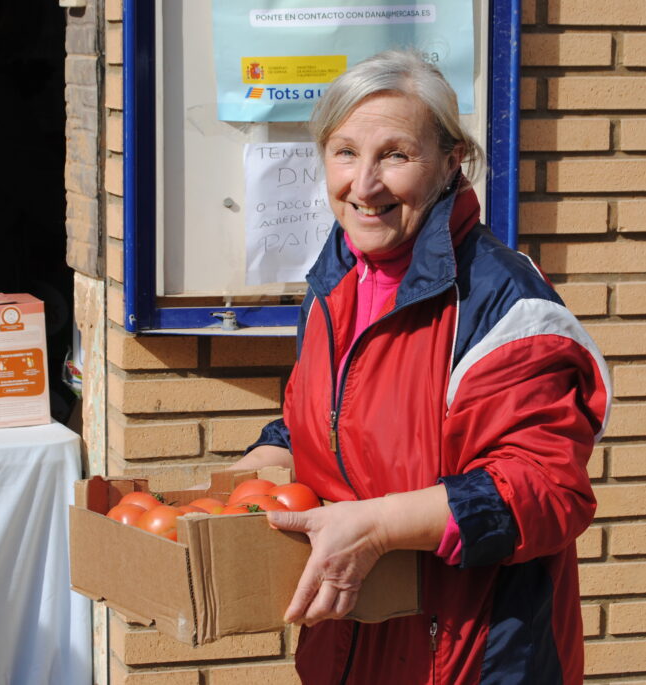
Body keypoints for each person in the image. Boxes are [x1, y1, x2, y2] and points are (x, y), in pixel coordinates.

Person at [232, 50, 610, 685]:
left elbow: (546, 490)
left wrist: (378, 527)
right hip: (351, 649)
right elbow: (329, 423)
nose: (364, 185)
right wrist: (260, 468)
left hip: (471, 659)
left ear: (450, 161)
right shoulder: (333, 286)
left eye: (395, 156)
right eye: (345, 152)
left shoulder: (503, 302)